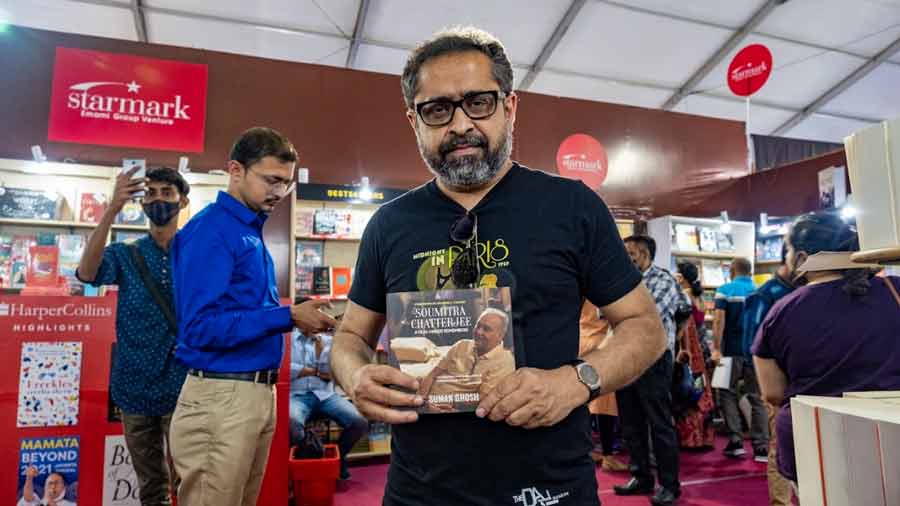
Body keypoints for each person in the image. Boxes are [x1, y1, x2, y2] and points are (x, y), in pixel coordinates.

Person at [330, 27, 667, 506]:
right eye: (438, 109)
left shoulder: (572, 207)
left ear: (509, 107)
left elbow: (645, 328)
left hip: (550, 486)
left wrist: (577, 381)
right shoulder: (389, 225)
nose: (461, 124)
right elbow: (350, 338)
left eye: (479, 103)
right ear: (414, 121)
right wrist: (354, 376)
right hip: (420, 490)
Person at [170, 127, 338, 506]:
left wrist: (293, 316)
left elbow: (241, 311)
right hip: (221, 395)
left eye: (287, 183)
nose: (279, 192)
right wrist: (288, 317)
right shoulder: (212, 230)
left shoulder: (247, 230)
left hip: (253, 395)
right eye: (271, 180)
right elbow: (199, 328)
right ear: (235, 171)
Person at [752, 212, 900, 486]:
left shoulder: (782, 311)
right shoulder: (894, 290)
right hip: (889, 436)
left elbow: (772, 393)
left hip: (815, 442)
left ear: (801, 257)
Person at [76, 166, 190, 506]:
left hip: (183, 386)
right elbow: (87, 273)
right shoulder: (126, 254)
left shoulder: (197, 253)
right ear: (141, 203)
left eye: (166, 193)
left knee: (188, 481)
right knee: (151, 486)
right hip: (134, 386)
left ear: (182, 201)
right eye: (150, 193)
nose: (158, 200)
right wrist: (111, 208)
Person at [615, 235, 687, 505]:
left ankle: (670, 484)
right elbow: (604, 311)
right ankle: (641, 476)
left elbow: (646, 317)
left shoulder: (662, 279)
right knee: (631, 422)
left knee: (659, 423)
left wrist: (621, 312)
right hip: (623, 359)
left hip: (654, 360)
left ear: (644, 254)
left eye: (629, 252)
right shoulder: (622, 279)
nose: (625, 257)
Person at [741, 246, 795, 506]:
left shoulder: (808, 290)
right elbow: (752, 344)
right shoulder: (765, 295)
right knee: (781, 446)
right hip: (780, 382)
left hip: (809, 377)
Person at [289, 304, 368, 481]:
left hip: (326, 395)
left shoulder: (327, 340)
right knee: (291, 423)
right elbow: (286, 369)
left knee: (360, 422)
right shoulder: (289, 339)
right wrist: (314, 372)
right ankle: (310, 460)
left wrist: (324, 345)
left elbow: (332, 370)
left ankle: (338, 458)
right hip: (297, 395)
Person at [712, 257, 768, 461]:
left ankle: (736, 441)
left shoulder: (726, 289)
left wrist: (716, 348)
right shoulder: (760, 291)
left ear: (733, 270)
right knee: (757, 397)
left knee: (725, 392)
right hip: (755, 352)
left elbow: (719, 320)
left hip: (730, 351)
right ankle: (761, 446)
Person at [417, 308, 515, 400]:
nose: (478, 332)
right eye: (478, 325)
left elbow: (480, 399)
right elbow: (433, 374)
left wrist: (435, 405)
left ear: (500, 336)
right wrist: (423, 400)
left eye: (486, 329)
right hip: (425, 400)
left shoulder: (505, 361)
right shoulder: (462, 344)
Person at [579, 301, 628, 473]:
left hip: (582, 341)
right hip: (600, 345)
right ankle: (608, 456)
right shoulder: (601, 290)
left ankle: (588, 450)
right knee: (604, 406)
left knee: (586, 401)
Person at [673, 262, 715, 450]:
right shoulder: (699, 297)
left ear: (682, 277)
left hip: (691, 348)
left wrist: (684, 349)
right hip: (702, 347)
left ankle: (691, 438)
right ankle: (704, 437)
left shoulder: (684, 296)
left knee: (687, 390)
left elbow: (686, 327)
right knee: (700, 389)